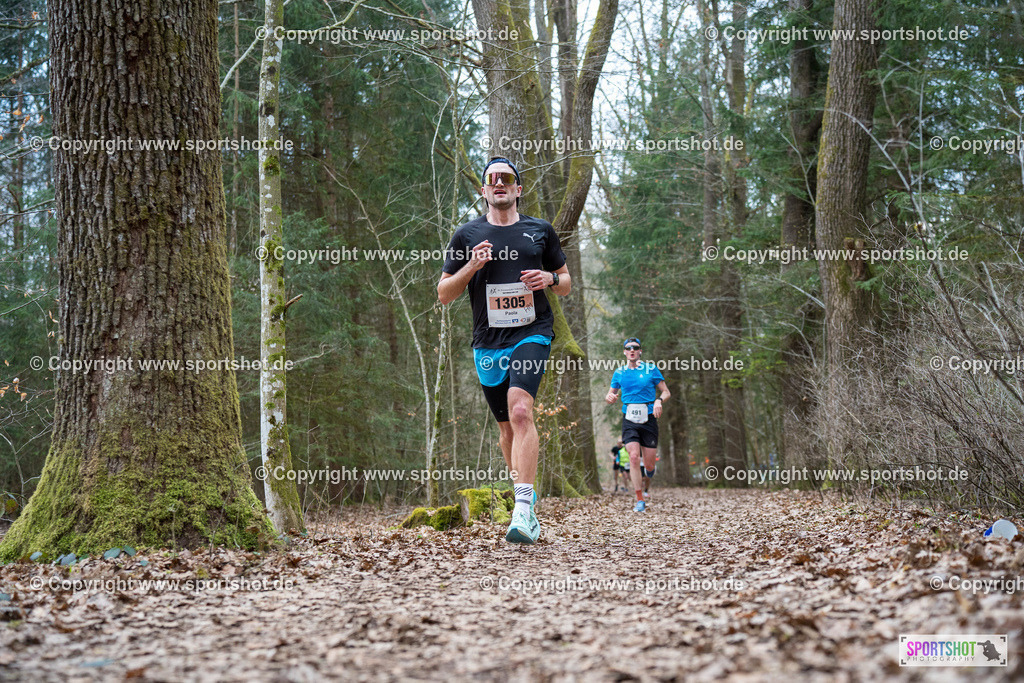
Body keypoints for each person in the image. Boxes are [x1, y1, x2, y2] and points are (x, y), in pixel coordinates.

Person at [437, 157, 571, 544]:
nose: (499, 184)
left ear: (518, 189)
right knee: (505, 428)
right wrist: (472, 266)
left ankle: (523, 511)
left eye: (506, 179)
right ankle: (523, 499)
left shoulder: (539, 231)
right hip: (487, 342)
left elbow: (565, 282)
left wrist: (548, 277)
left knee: (520, 410)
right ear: (483, 190)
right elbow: (444, 294)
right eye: (491, 179)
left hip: (532, 332)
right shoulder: (466, 235)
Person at [605, 337, 670, 512]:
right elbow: (610, 395)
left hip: (649, 418)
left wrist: (658, 401)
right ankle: (639, 499)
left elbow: (666, 391)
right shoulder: (619, 373)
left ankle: (649, 472)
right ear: (625, 352)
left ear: (640, 351)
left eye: (635, 347)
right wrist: (610, 397)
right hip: (629, 420)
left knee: (649, 465)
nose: (632, 350)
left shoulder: (651, 369)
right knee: (633, 457)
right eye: (628, 348)